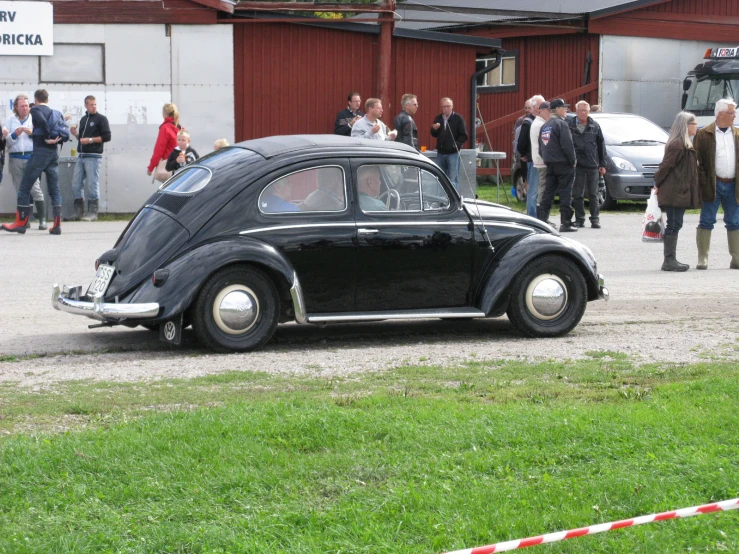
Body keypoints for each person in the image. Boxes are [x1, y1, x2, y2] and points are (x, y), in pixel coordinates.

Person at [2, 89, 67, 235]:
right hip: (53, 153)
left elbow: (43, 124)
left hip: (39, 153)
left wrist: (45, 138)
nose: (27, 108)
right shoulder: (56, 112)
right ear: (47, 99)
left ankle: (21, 222)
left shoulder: (36, 110)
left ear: (35, 100)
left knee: (24, 187)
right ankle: (57, 225)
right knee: (54, 189)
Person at [694, 97, 739, 270]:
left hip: (733, 185)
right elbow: (697, 161)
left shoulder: (737, 134)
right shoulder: (704, 134)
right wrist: (704, 180)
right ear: (720, 114)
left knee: (735, 221)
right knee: (707, 220)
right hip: (712, 185)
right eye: (731, 113)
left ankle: (736, 258)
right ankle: (703, 258)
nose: (734, 116)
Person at [653, 111, 700, 272]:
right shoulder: (677, 145)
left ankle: (670, 259)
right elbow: (665, 166)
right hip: (674, 191)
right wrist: (657, 183)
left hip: (679, 190)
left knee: (676, 224)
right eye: (694, 124)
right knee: (674, 224)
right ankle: (669, 260)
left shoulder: (685, 144)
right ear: (686, 126)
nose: (697, 127)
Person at [3, 94, 46, 230]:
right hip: (15, 158)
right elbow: (6, 142)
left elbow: (42, 137)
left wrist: (32, 133)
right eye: (22, 106)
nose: (25, 108)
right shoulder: (10, 120)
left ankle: (42, 220)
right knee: (21, 191)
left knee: (35, 189)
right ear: (16, 107)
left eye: (27, 105)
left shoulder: (35, 118)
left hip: (30, 158)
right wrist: (14, 134)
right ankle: (24, 220)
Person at [69, 95, 112, 222]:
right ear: (86, 105)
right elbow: (82, 139)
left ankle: (93, 212)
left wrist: (91, 140)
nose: (94, 107)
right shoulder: (83, 120)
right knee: (76, 183)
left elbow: (107, 137)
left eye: (95, 104)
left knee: (92, 183)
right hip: (82, 155)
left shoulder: (101, 119)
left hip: (93, 156)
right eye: (91, 105)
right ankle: (79, 211)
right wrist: (75, 134)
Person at [538, 98, 577, 232]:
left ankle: (542, 221)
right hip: (563, 163)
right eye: (564, 107)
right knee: (566, 192)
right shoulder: (561, 124)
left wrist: (547, 158)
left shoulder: (545, 125)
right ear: (557, 109)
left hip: (550, 163)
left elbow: (540, 148)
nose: (566, 110)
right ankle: (565, 223)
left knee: (548, 192)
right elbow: (567, 145)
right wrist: (573, 161)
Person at [568, 100, 606, 229]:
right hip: (577, 165)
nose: (583, 113)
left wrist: (603, 164)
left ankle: (595, 219)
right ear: (576, 111)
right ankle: (579, 219)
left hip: (592, 165)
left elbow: (601, 146)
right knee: (577, 193)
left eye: (585, 110)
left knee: (593, 193)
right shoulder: (570, 125)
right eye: (580, 110)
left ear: (589, 112)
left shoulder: (595, 126)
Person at [430, 97, 468, 191]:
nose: (446, 109)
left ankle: (453, 201)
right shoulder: (438, 118)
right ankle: (441, 200)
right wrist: (434, 129)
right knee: (440, 178)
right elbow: (433, 134)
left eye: (448, 106)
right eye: (443, 107)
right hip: (441, 153)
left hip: (453, 153)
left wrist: (456, 145)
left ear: (452, 107)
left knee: (452, 179)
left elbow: (464, 135)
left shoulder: (458, 118)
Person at [518, 95, 545, 217]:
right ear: (535, 107)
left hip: (543, 160)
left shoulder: (543, 121)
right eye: (541, 105)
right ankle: (532, 216)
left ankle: (541, 216)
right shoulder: (528, 122)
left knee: (541, 190)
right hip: (533, 161)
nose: (544, 108)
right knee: (533, 191)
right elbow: (521, 144)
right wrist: (527, 156)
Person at [147, 103, 181, 179]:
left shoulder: (165, 128)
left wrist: (150, 168)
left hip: (169, 166)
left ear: (164, 114)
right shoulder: (181, 128)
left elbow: (159, 150)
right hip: (180, 167)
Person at [530, 100, 550, 221]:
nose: (550, 113)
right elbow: (546, 143)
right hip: (542, 160)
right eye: (548, 111)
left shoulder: (539, 122)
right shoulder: (541, 124)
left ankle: (541, 215)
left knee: (543, 186)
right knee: (543, 187)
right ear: (540, 111)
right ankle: (541, 216)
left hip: (540, 159)